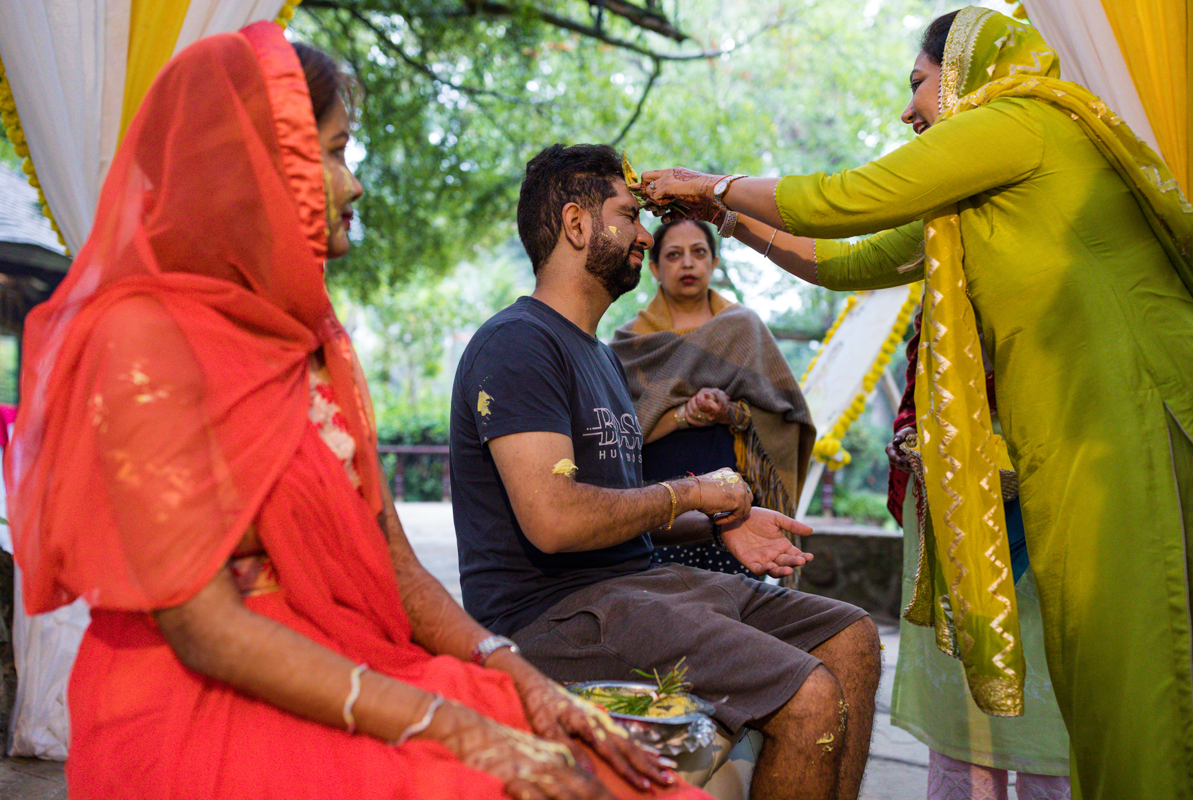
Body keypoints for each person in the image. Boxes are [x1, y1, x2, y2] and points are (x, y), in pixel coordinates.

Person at [5, 24, 705, 800]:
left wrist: (510, 671)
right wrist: (453, 724)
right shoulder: (140, 338)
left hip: (352, 660)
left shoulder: (311, 339)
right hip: (207, 697)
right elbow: (204, 629)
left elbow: (396, 568)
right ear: (260, 165)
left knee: (622, 773)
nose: (355, 183)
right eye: (336, 153)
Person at [637, 6, 1193, 798]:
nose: (908, 109)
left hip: (1130, 425)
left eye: (918, 84)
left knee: (1140, 682)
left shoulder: (1019, 119)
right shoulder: (972, 191)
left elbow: (850, 197)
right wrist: (725, 217)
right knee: (1096, 683)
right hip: (1068, 443)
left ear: (964, 68)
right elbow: (851, 258)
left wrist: (712, 182)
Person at [449, 142, 882, 800]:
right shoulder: (518, 343)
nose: (644, 234)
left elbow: (623, 516)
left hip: (642, 586)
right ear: (575, 225)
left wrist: (721, 521)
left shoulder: (596, 356)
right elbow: (556, 519)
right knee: (809, 695)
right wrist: (694, 490)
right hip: (558, 616)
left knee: (852, 638)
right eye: (629, 215)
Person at [886, 312, 1071, 800]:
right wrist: (913, 442)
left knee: (1055, 699)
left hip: (1057, 484)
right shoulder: (943, 278)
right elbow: (916, 400)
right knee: (962, 699)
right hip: (949, 498)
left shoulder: (1058, 277)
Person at [608, 220, 815, 575]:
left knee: (735, 613)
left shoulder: (743, 328)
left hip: (731, 514)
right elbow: (621, 433)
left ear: (714, 263)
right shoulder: (629, 344)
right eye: (674, 255)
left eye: (699, 252)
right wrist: (685, 415)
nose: (687, 264)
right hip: (656, 511)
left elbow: (784, 416)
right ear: (655, 268)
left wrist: (729, 413)